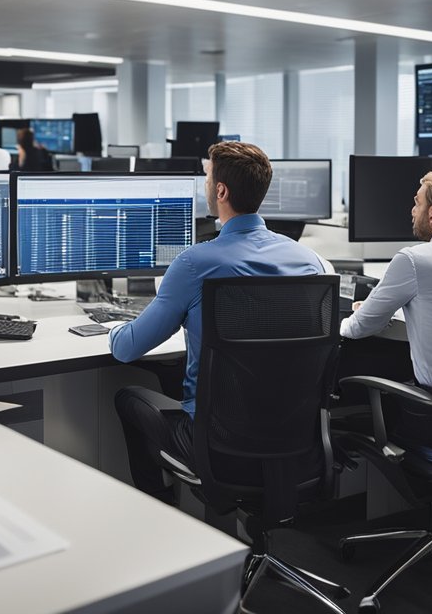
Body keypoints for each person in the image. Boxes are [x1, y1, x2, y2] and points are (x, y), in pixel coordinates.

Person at [110, 141, 328, 503]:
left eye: (208, 179)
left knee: (128, 397)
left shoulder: (195, 264)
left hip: (215, 445)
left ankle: (161, 514)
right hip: (294, 442)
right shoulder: (309, 261)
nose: (206, 187)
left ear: (221, 191)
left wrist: (115, 327)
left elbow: (127, 348)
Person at [339, 170, 432, 454]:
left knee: (352, 407)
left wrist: (342, 322)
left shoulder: (414, 259)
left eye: (416, 203)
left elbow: (359, 328)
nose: (412, 210)